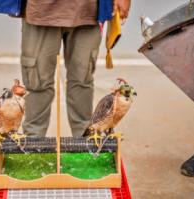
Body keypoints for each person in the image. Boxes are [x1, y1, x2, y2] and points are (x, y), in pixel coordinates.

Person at [20, 0, 131, 137]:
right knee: (37, 80)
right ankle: (33, 142)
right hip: (40, 9)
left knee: (82, 79)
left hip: (89, 9)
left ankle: (85, 142)